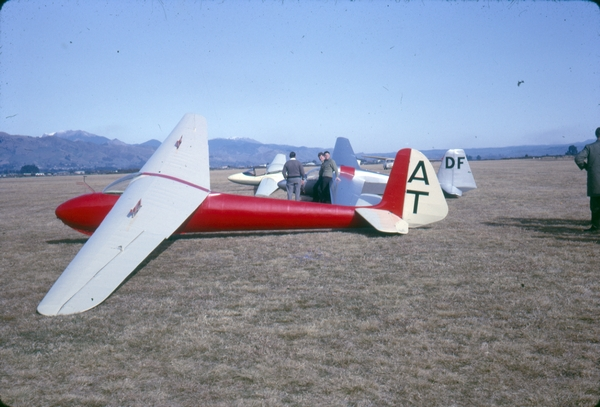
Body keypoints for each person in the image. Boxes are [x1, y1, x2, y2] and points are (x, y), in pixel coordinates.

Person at [575, 127, 600, 232]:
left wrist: (586, 167)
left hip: (595, 181)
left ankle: (596, 227)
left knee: (595, 205)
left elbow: (578, 158)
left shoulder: (589, 147)